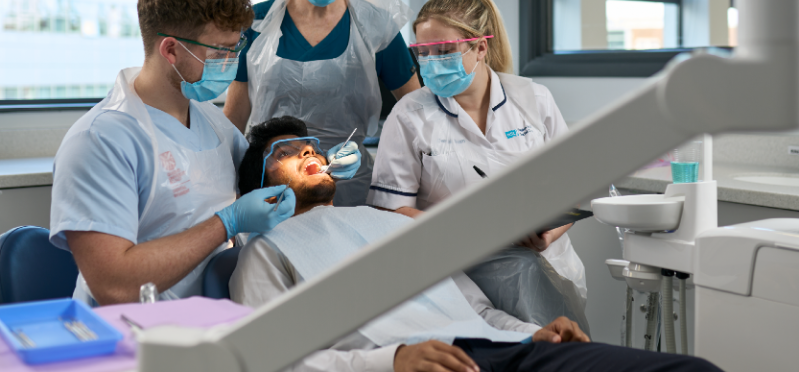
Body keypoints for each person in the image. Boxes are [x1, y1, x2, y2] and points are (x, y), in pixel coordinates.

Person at [229, 116, 721, 372]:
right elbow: (270, 361)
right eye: (288, 153)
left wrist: (533, 332)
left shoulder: (389, 224)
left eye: (311, 146)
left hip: (508, 351)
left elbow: (479, 311)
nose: (309, 152)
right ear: (257, 186)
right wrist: (392, 360)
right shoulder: (263, 253)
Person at [49, 0, 298, 305]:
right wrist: (226, 222)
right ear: (170, 50)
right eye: (218, 52)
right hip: (134, 334)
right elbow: (113, 284)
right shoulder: (100, 141)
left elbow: (263, 179)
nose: (230, 62)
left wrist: (316, 168)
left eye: (234, 48)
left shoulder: (213, 121)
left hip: (217, 316)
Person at [367, 0, 588, 326]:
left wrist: (548, 234)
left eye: (444, 51)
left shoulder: (533, 100)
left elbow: (572, 185)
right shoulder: (409, 114)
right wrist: (470, 227)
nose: (432, 62)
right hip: (460, 278)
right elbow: (390, 209)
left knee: (561, 354)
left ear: (481, 47)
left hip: (549, 270)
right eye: (423, 53)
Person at [224, 0, 421, 207]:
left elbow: (417, 115)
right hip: (271, 186)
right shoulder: (257, 26)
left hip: (347, 188)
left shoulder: (376, 28)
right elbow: (234, 120)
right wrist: (226, 188)